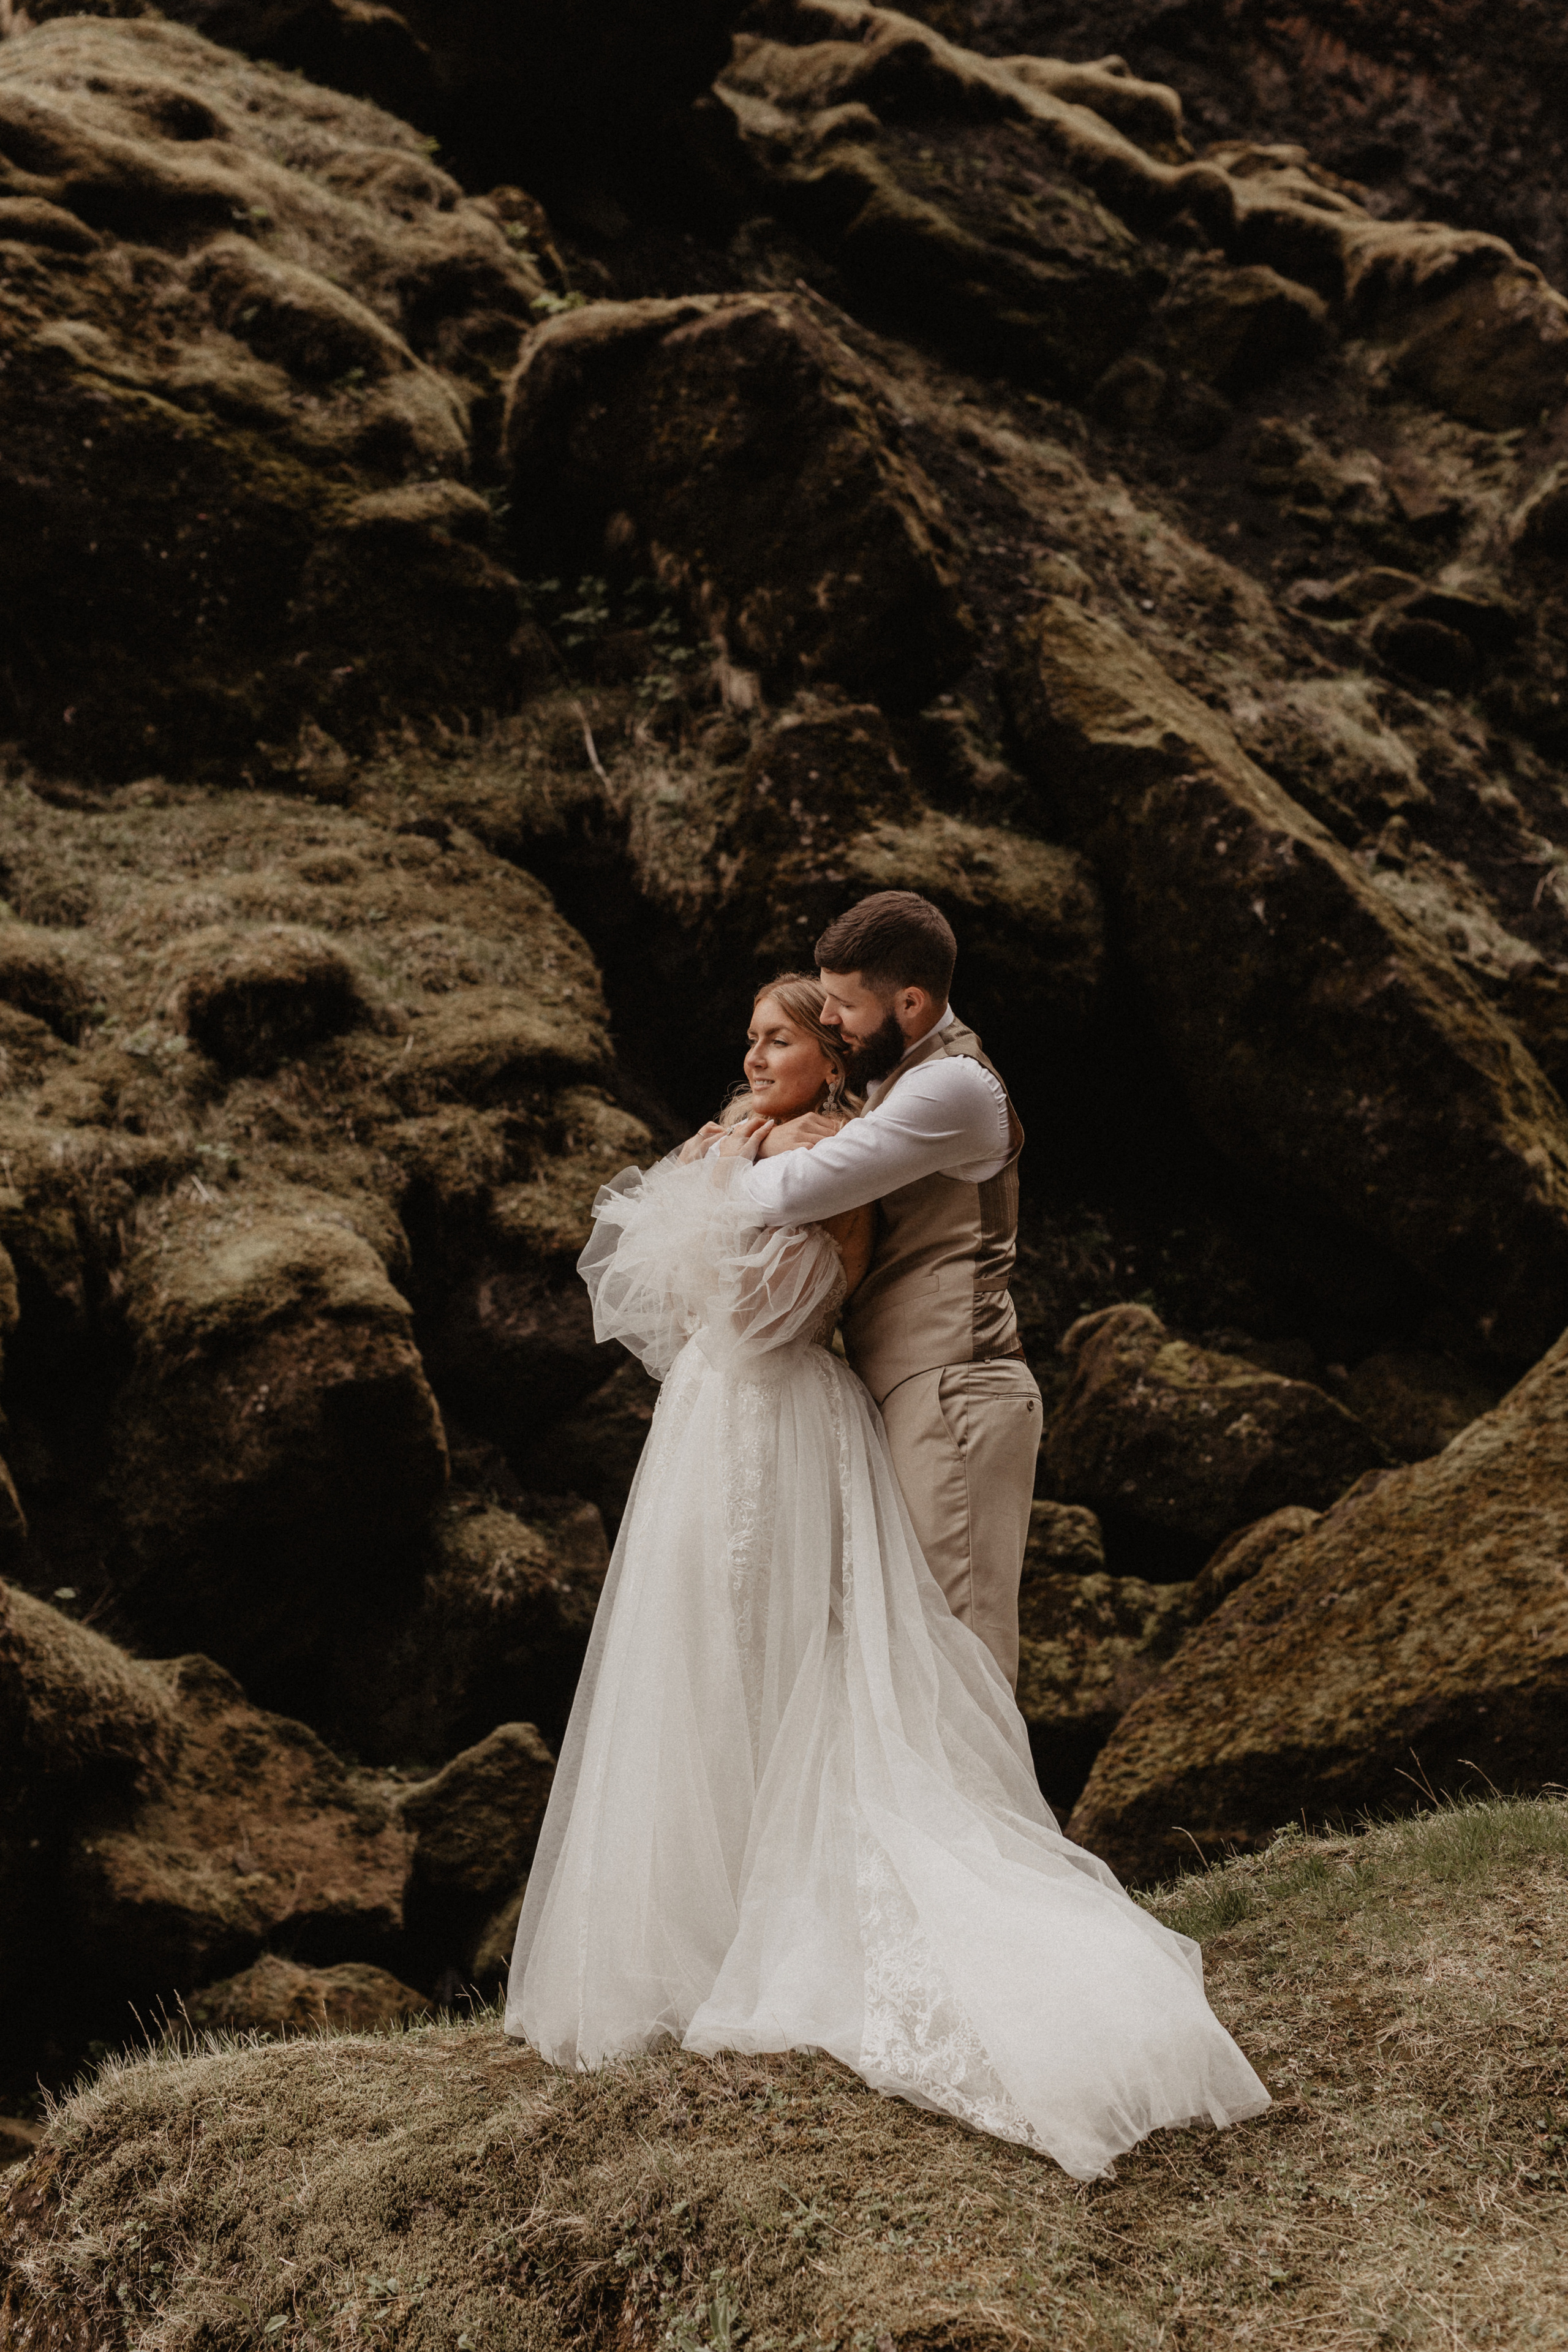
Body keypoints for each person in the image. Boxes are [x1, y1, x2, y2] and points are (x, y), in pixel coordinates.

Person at [505, 970, 1269, 2180]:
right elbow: (649, 1295)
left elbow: (766, 1317)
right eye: (746, 1038)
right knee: (691, 1652)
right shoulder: (756, 1137)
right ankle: (688, 1930)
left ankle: (767, 1923)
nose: (752, 1057)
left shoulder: (835, 1156)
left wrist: (718, 1182)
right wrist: (721, 1170)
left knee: (768, 1645)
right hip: (709, 1423)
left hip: (777, 1417)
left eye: (776, 1040)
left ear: (826, 1053)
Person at [690, 891, 1039, 1687]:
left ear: (911, 1004)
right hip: (908, 1393)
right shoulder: (894, 1078)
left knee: (960, 1654)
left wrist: (733, 1156)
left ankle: (976, 1814)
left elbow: (794, 1191)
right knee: (906, 1658)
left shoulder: (953, 1088)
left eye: (846, 1005)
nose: (833, 1023)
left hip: (956, 1387)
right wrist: (769, 1129)